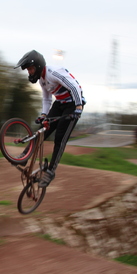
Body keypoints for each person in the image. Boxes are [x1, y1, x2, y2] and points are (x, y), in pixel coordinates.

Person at [15, 50, 86, 188]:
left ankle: (51, 170)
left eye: (30, 68)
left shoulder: (53, 73)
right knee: (43, 130)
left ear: (38, 66)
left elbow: (74, 86)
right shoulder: (42, 79)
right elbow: (47, 98)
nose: (29, 72)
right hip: (59, 104)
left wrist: (78, 107)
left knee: (60, 137)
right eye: (28, 70)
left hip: (73, 104)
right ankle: (25, 156)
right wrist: (43, 115)